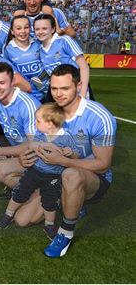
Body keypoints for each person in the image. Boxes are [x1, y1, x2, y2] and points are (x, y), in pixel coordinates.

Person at [18, 64, 116, 258]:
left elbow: (103, 164)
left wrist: (62, 160)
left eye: (65, 88)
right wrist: (25, 155)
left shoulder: (99, 116)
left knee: (70, 175)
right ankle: (70, 200)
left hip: (91, 177)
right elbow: (36, 142)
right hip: (52, 173)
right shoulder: (50, 111)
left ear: (79, 86)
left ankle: (65, 232)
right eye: (54, 88)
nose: (58, 94)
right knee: (22, 220)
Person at [0, 103, 81, 240]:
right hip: (34, 171)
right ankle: (8, 214)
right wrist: (45, 145)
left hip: (53, 176)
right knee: (20, 192)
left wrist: (70, 153)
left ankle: (49, 224)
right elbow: (31, 145)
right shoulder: (41, 135)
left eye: (38, 121)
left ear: (50, 123)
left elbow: (76, 156)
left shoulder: (66, 138)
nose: (35, 124)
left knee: (50, 201)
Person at [34, 14, 90, 99]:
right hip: (58, 95)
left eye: (44, 28)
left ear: (53, 29)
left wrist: (82, 93)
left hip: (76, 92)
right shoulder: (39, 49)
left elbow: (84, 66)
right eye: (37, 29)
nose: (40, 32)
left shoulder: (64, 40)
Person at [2, 15, 46, 102]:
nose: (23, 31)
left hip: (45, 92)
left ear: (30, 29)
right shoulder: (8, 49)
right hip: (26, 95)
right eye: (18, 28)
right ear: (12, 31)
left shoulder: (38, 43)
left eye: (26, 27)